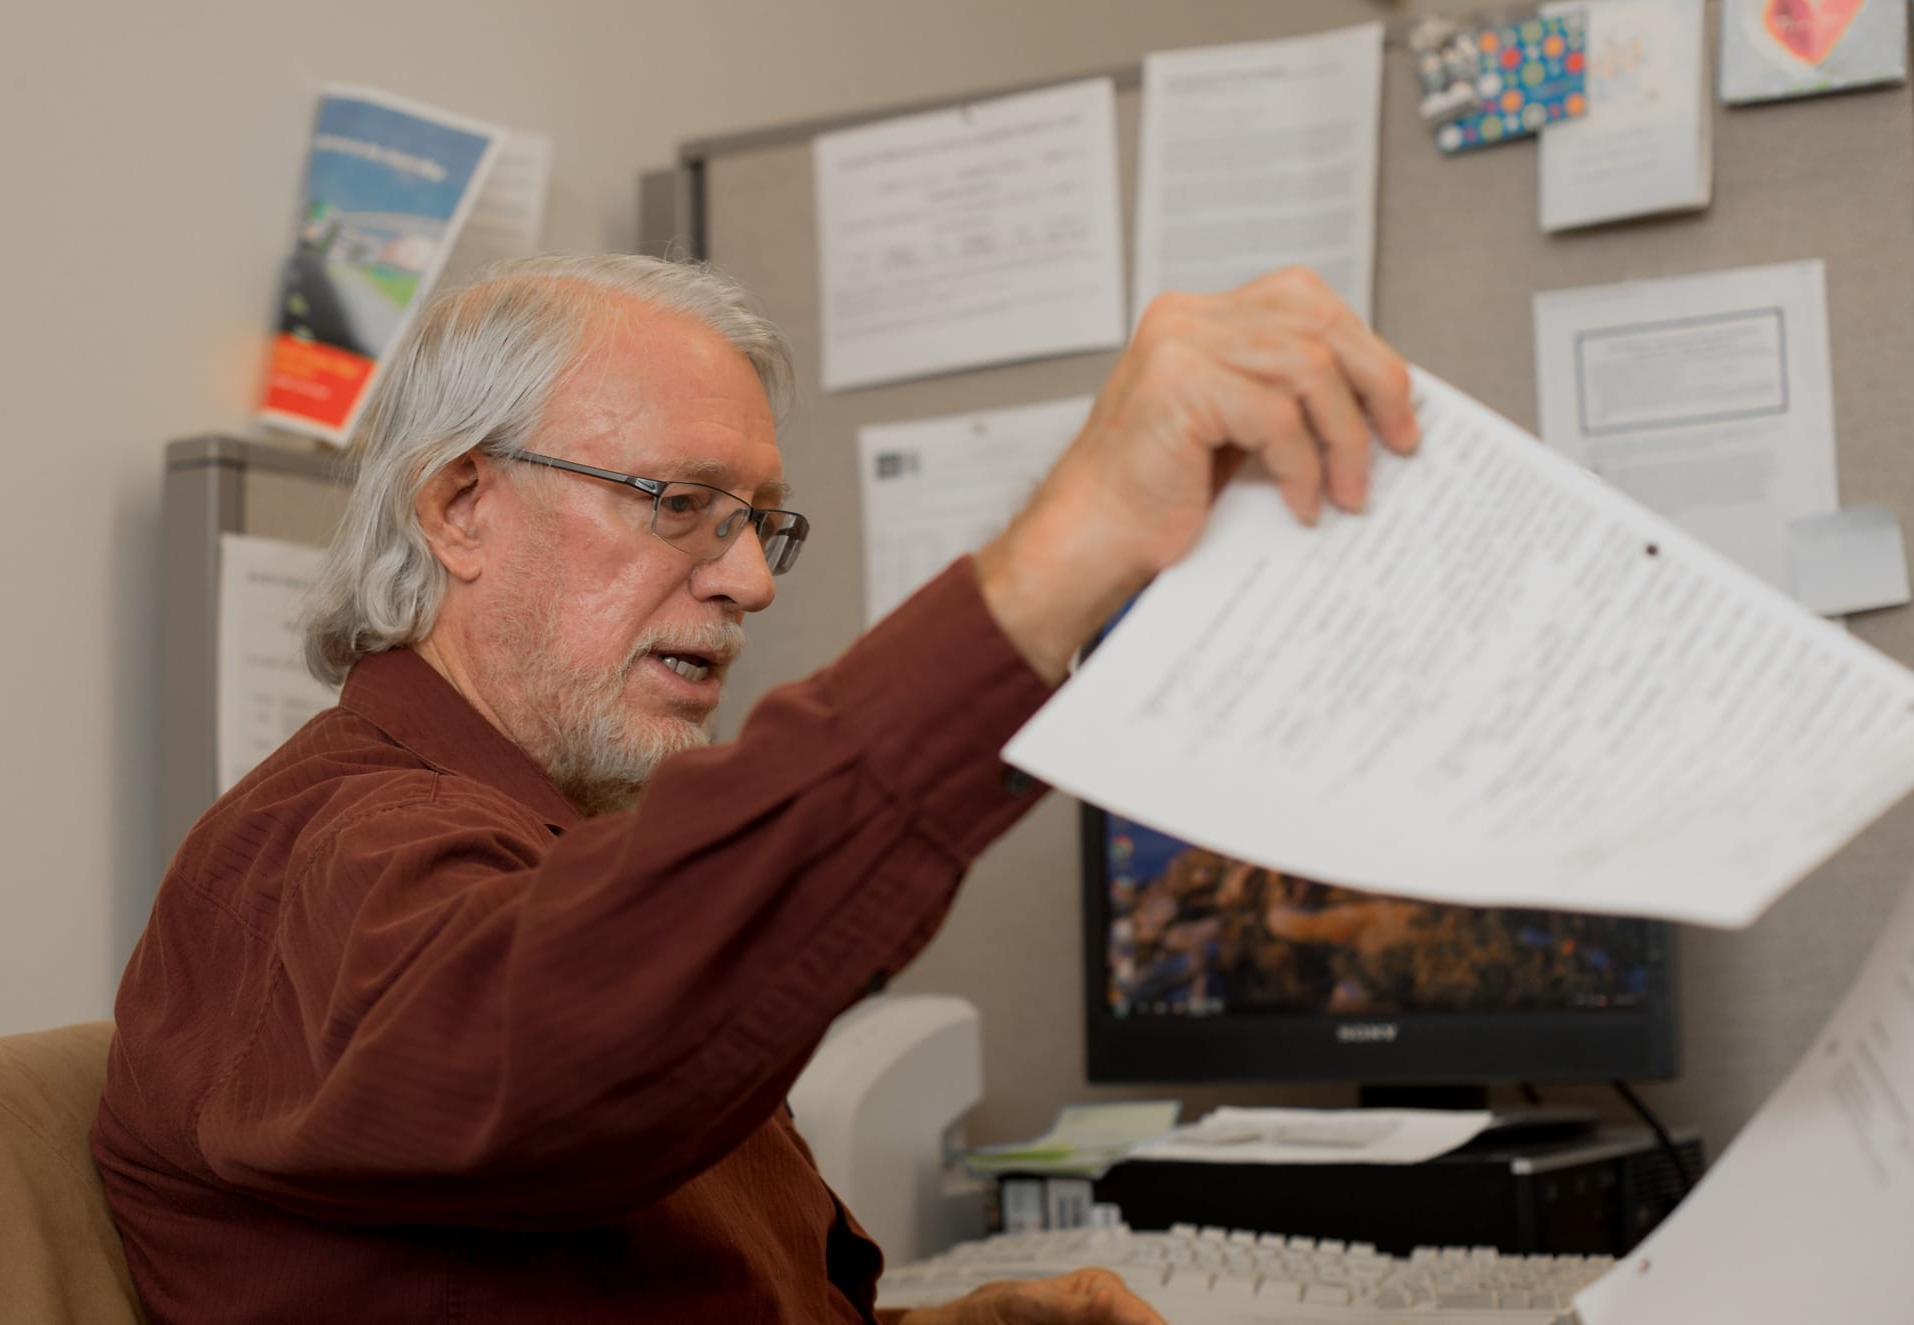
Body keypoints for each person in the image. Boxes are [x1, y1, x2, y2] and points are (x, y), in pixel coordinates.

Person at [93, 253, 1419, 1324]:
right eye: (680, 502)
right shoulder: (325, 847)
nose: (750, 579)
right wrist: (1054, 565)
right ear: (460, 506)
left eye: (758, 521)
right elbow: (565, 1036)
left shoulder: (543, 843)